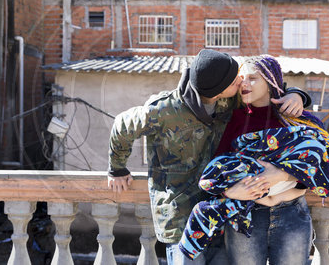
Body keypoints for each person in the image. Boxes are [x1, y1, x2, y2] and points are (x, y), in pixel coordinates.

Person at [107, 49, 311, 264]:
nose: (241, 81)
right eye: (235, 80)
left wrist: (297, 94)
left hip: (222, 214)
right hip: (181, 220)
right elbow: (122, 125)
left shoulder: (229, 100)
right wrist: (117, 169)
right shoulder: (163, 110)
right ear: (217, 90)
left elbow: (269, 88)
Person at [178, 55, 329, 263]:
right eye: (242, 78)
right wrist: (230, 191)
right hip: (247, 217)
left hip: (291, 214)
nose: (244, 83)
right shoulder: (235, 117)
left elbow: (320, 162)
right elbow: (219, 167)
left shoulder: (296, 118)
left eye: (253, 78)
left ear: (270, 81)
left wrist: (282, 174)